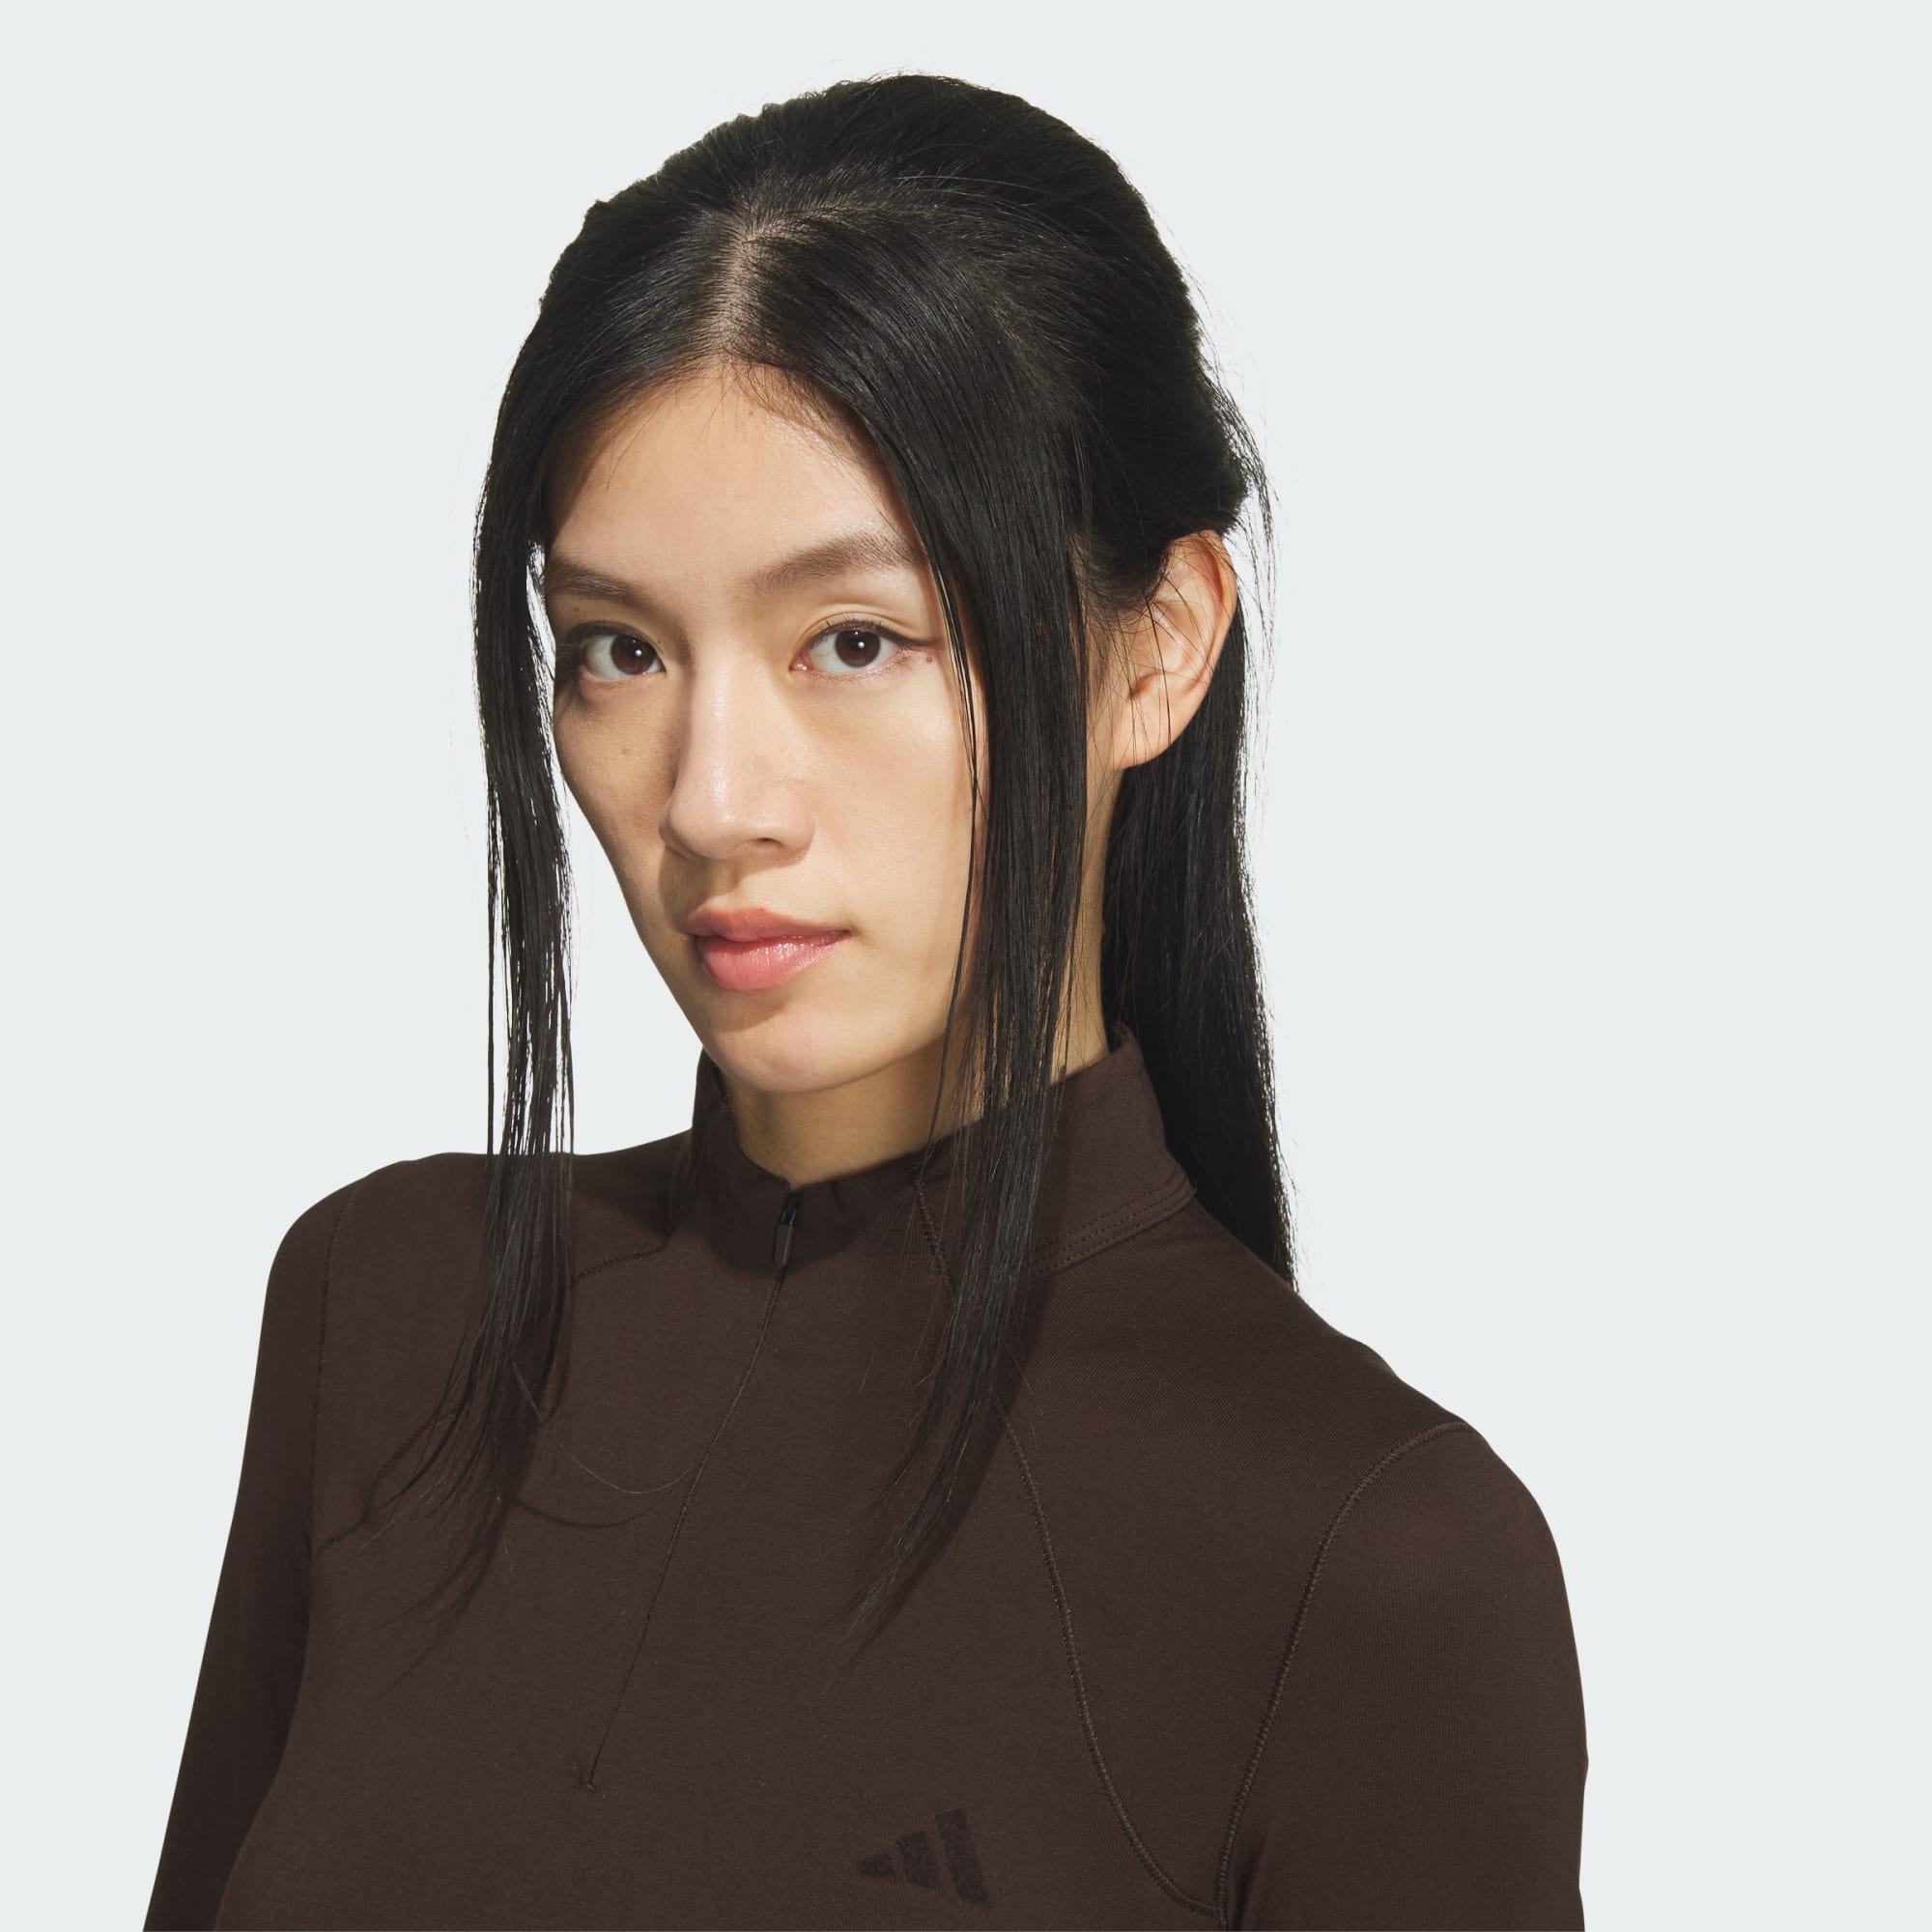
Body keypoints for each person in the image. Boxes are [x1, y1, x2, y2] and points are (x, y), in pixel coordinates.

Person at [143, 71, 1587, 1932]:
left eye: (853, 640)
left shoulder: (1372, 1560)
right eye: (620, 649)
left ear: (1159, 649)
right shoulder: (391, 1312)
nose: (710, 801)